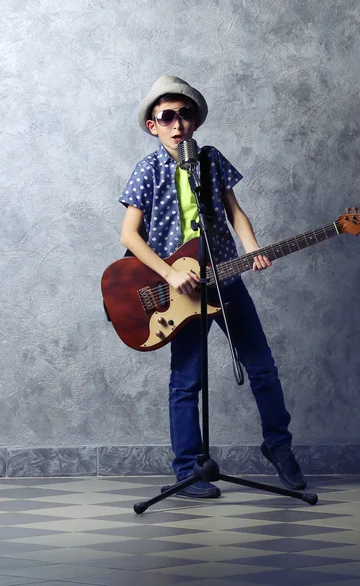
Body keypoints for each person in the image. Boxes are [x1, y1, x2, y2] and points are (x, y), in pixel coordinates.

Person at [119, 75, 306, 498]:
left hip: (224, 278)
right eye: (167, 117)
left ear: (195, 122)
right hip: (181, 293)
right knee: (186, 382)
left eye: (185, 115)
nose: (177, 124)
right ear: (153, 125)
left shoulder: (210, 160)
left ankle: (279, 446)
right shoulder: (146, 171)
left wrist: (253, 248)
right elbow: (129, 235)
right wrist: (169, 275)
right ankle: (187, 468)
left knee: (262, 366)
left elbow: (234, 212)